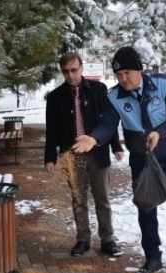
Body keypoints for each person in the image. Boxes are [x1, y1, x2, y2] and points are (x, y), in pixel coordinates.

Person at [72, 46, 166, 273]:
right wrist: (94, 137)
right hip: (141, 161)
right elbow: (108, 124)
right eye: (119, 75)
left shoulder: (162, 84)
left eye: (128, 73)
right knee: (146, 208)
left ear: (139, 70)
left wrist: (159, 132)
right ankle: (153, 257)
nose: (123, 79)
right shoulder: (114, 96)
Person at [44, 52, 125, 257]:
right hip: (71, 155)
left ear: (82, 68)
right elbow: (51, 130)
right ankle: (83, 239)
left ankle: (108, 239)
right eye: (66, 72)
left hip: (97, 152)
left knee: (102, 198)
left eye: (74, 70)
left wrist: (115, 146)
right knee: (78, 198)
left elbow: (108, 121)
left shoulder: (98, 90)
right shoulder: (55, 98)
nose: (70, 75)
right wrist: (49, 158)